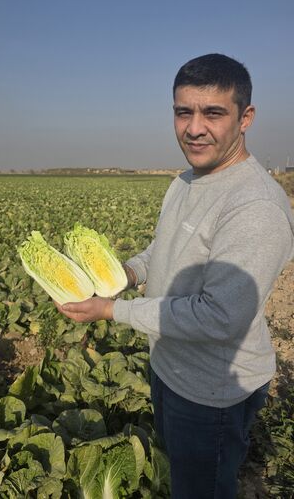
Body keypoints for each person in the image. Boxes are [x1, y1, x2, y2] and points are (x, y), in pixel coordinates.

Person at [55, 53, 294, 498]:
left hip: (211, 390)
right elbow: (162, 247)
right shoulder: (185, 181)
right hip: (169, 367)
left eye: (213, 113)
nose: (194, 128)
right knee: (181, 473)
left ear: (245, 118)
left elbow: (220, 318)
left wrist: (112, 310)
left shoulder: (254, 207)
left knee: (201, 488)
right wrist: (126, 274)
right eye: (184, 112)